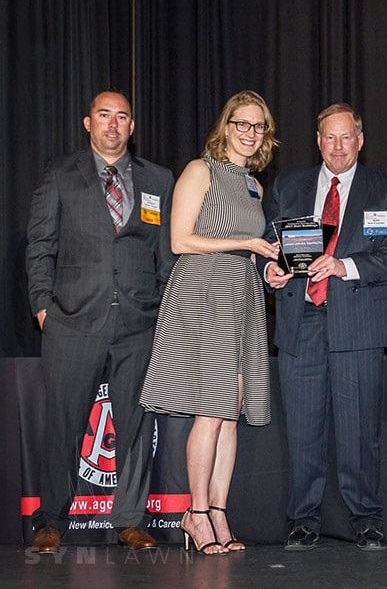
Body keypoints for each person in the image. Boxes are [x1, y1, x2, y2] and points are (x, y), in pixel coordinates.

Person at [25, 90, 175, 553]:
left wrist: (164, 317)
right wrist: (42, 307)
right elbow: (40, 245)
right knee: (63, 425)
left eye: (122, 116)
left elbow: (166, 256)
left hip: (139, 322)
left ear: (132, 126)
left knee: (133, 424)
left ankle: (130, 520)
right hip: (72, 320)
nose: (113, 124)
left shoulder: (159, 179)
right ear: (87, 123)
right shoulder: (59, 175)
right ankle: (52, 519)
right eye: (104, 115)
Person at [260, 103, 387, 552]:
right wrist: (269, 272)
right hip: (299, 320)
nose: (339, 146)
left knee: (359, 431)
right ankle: (302, 520)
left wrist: (345, 265)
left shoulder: (384, 188)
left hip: (358, 322)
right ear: (318, 139)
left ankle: (366, 518)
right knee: (302, 433)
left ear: (360, 140)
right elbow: (269, 247)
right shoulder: (289, 187)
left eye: (347, 137)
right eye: (330, 137)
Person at [140, 90, 280, 554]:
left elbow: (248, 247)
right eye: (242, 123)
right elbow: (180, 240)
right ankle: (195, 512)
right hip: (201, 293)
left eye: (258, 126)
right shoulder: (200, 170)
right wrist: (247, 245)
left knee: (231, 410)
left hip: (242, 294)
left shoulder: (255, 185)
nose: (250, 133)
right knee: (211, 407)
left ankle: (218, 510)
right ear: (226, 126)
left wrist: (268, 268)